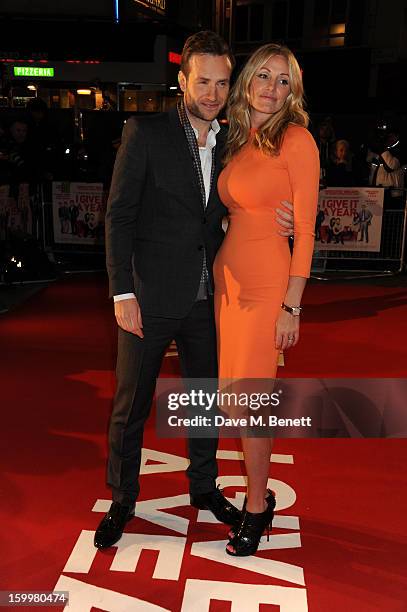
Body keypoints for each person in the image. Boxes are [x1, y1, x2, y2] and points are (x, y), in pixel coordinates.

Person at [96, 31, 295, 550]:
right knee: (131, 403)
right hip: (149, 295)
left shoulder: (234, 141)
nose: (212, 91)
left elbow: (240, 204)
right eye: (202, 80)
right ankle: (122, 499)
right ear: (182, 81)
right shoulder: (145, 133)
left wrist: (280, 216)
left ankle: (204, 488)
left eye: (222, 82)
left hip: (211, 299)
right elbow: (118, 217)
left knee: (203, 401)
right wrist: (123, 294)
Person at [214, 43, 319, 556]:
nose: (271, 88)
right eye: (264, 75)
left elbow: (306, 229)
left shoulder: (296, 139)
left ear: (292, 92)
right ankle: (257, 496)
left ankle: (258, 504)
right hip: (228, 288)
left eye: (284, 81)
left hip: (266, 288)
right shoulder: (236, 138)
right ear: (247, 81)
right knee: (235, 402)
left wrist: (291, 305)